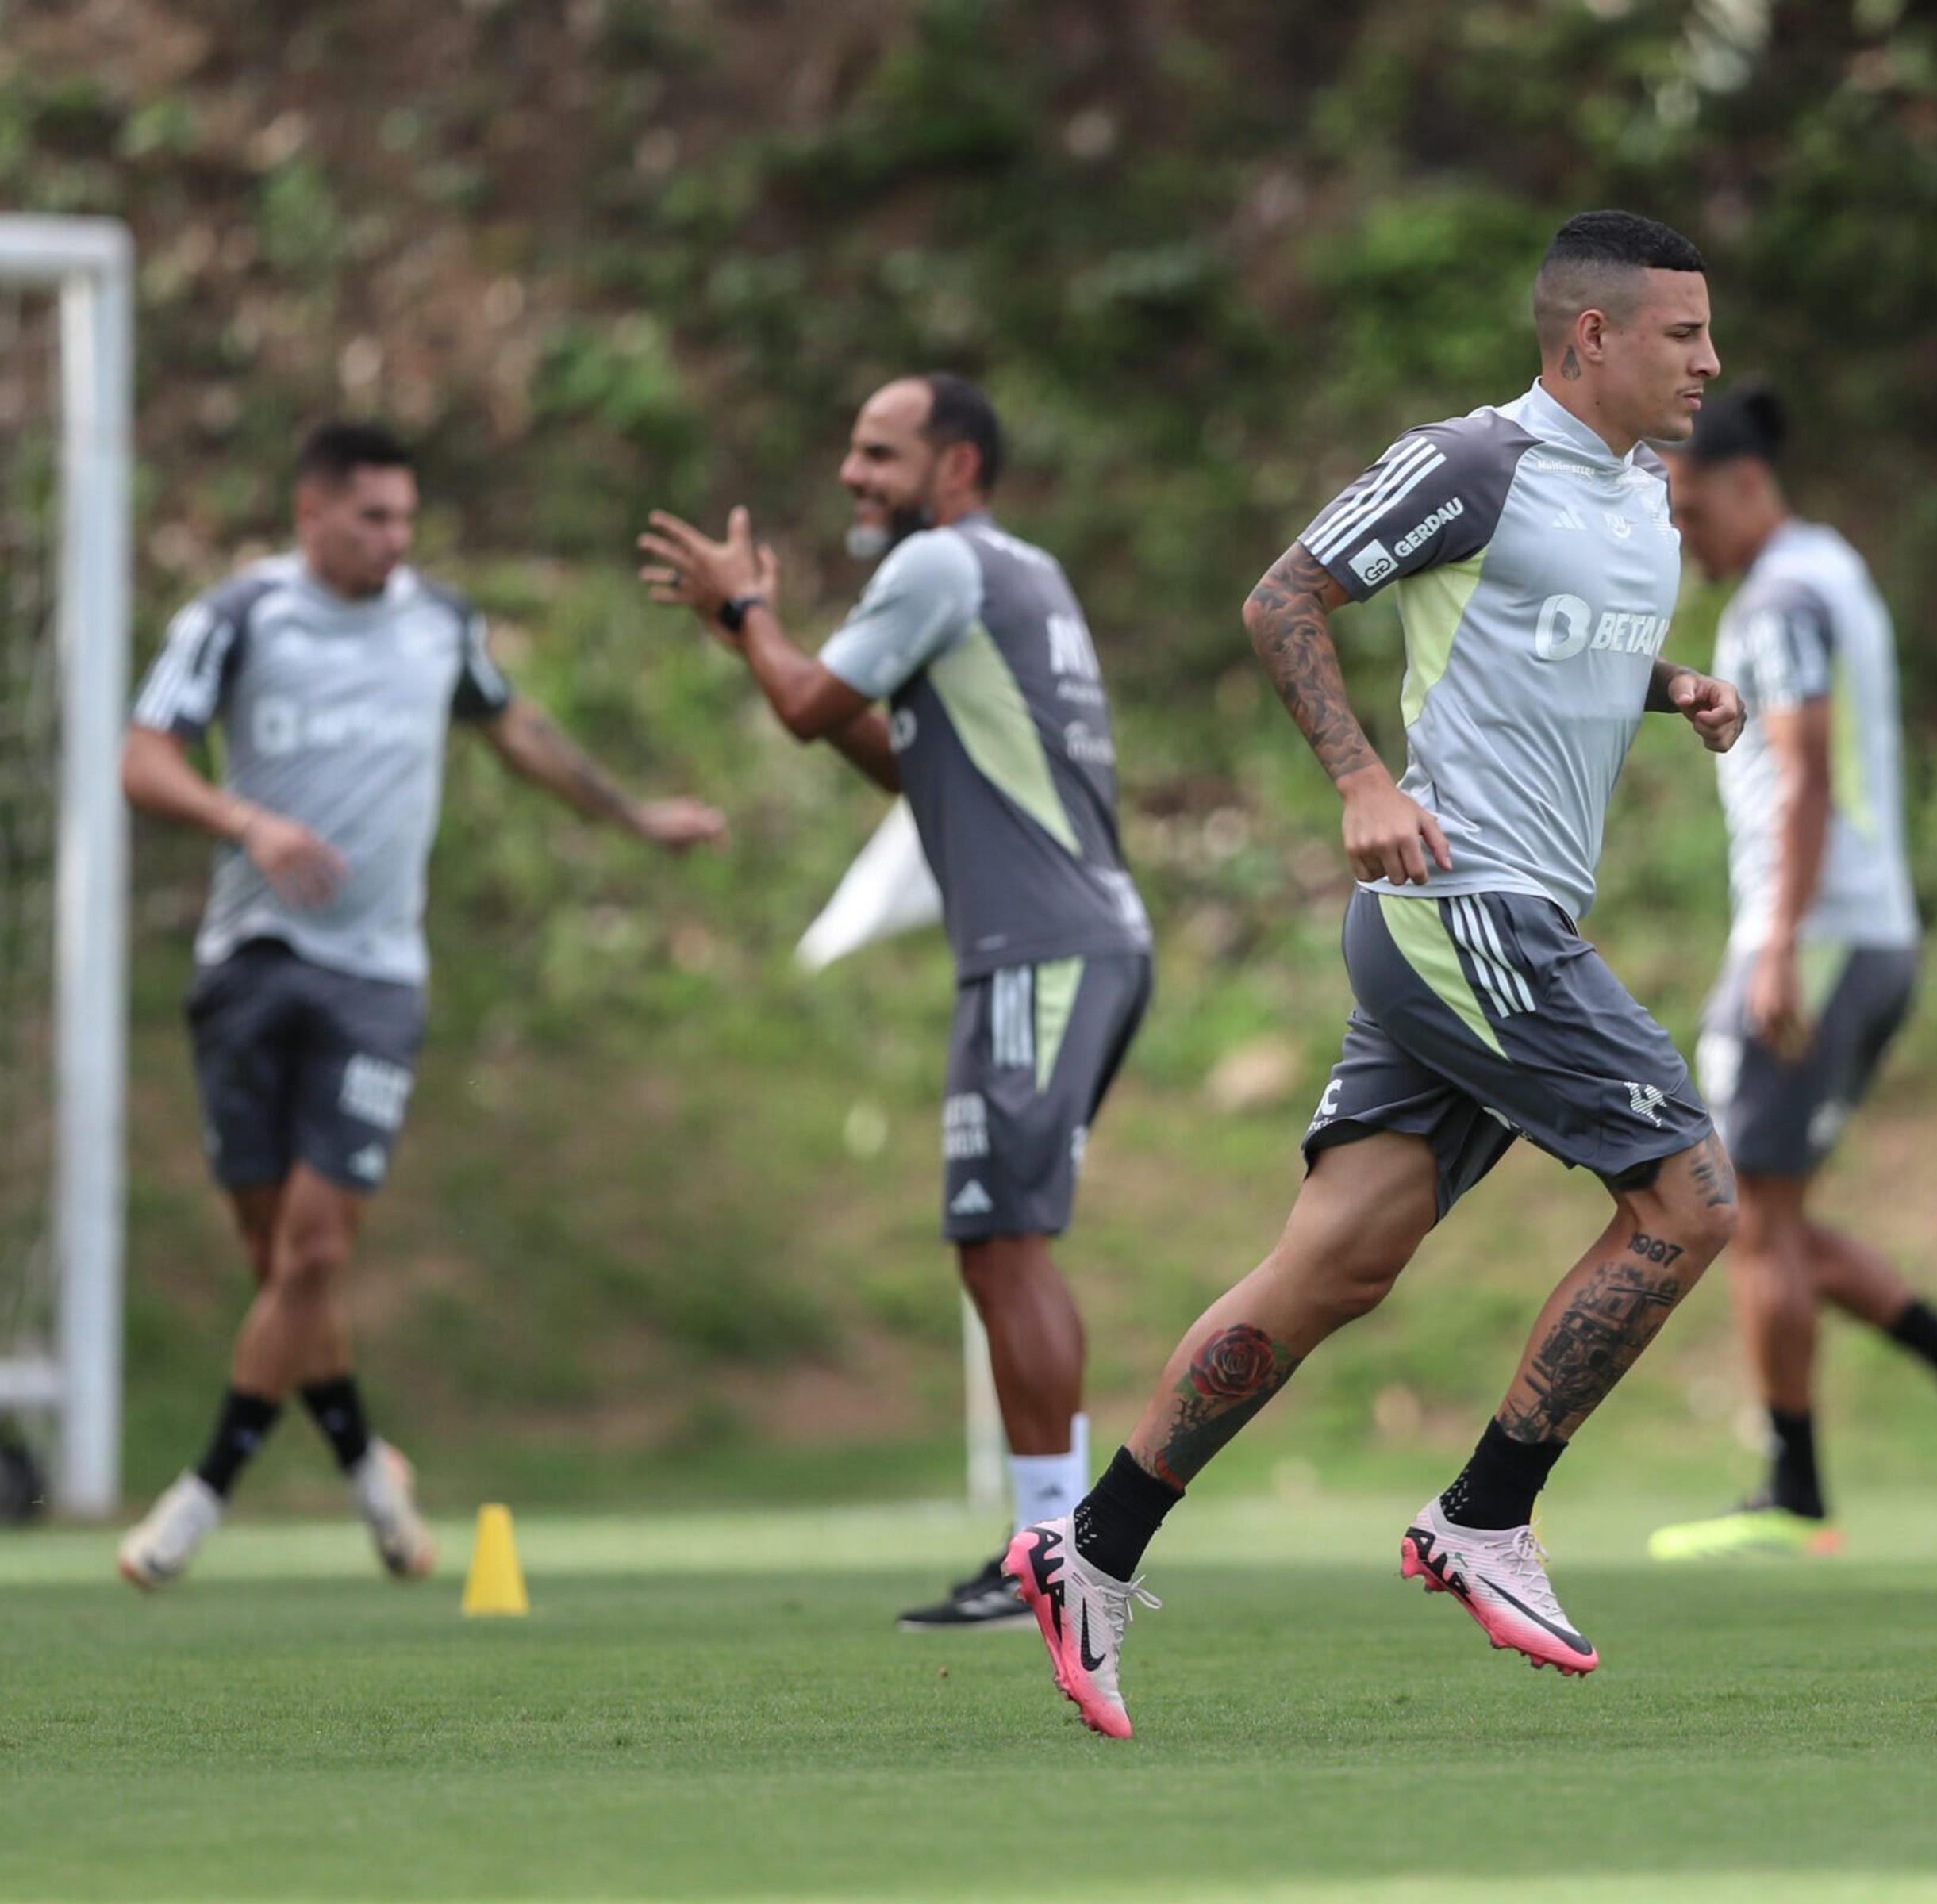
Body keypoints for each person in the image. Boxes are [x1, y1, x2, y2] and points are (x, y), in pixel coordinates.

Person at [1005, 209, 1745, 1739]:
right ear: (1590, 336)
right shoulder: (1474, 462)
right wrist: (1360, 782)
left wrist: (1672, 687)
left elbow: (1558, 642)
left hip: (1491, 921)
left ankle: (1091, 1548)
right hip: (1464, 907)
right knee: (1690, 1200)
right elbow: (1285, 597)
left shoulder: (1645, 494)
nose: (1711, 361)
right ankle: (1485, 1512)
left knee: (1336, 1262)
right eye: (1684, 333)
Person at [113, 421, 725, 1589]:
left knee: (315, 1248)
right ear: (312, 515)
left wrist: (638, 817)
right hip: (248, 963)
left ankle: (200, 1499)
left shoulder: (439, 622)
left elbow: (517, 732)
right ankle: (367, 1475)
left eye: (406, 516)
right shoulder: (237, 618)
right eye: (373, 517)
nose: (398, 539)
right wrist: (250, 822)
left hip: (376, 980)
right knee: (279, 1265)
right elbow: (144, 758)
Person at [638, 374, 1154, 1632]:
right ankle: (1049, 1540)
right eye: (851, 451)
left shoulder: (939, 569)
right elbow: (901, 761)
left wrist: (748, 611)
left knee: (1010, 1238)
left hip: (1044, 948)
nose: (853, 475)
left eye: (881, 454)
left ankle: (1059, 1548)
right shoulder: (1018, 574)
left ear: (958, 468)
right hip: (1056, 944)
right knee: (991, 1242)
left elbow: (813, 703)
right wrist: (748, 633)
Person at [1644, 382, 1937, 1563]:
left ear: (1747, 484)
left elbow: (1806, 774)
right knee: (1760, 1212)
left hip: (1814, 935)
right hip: (1854, 930)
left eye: (1688, 505)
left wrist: (1775, 946)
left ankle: (1796, 1492)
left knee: (1733, 1213)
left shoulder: (1779, 599)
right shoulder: (1833, 568)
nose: (1682, 534)